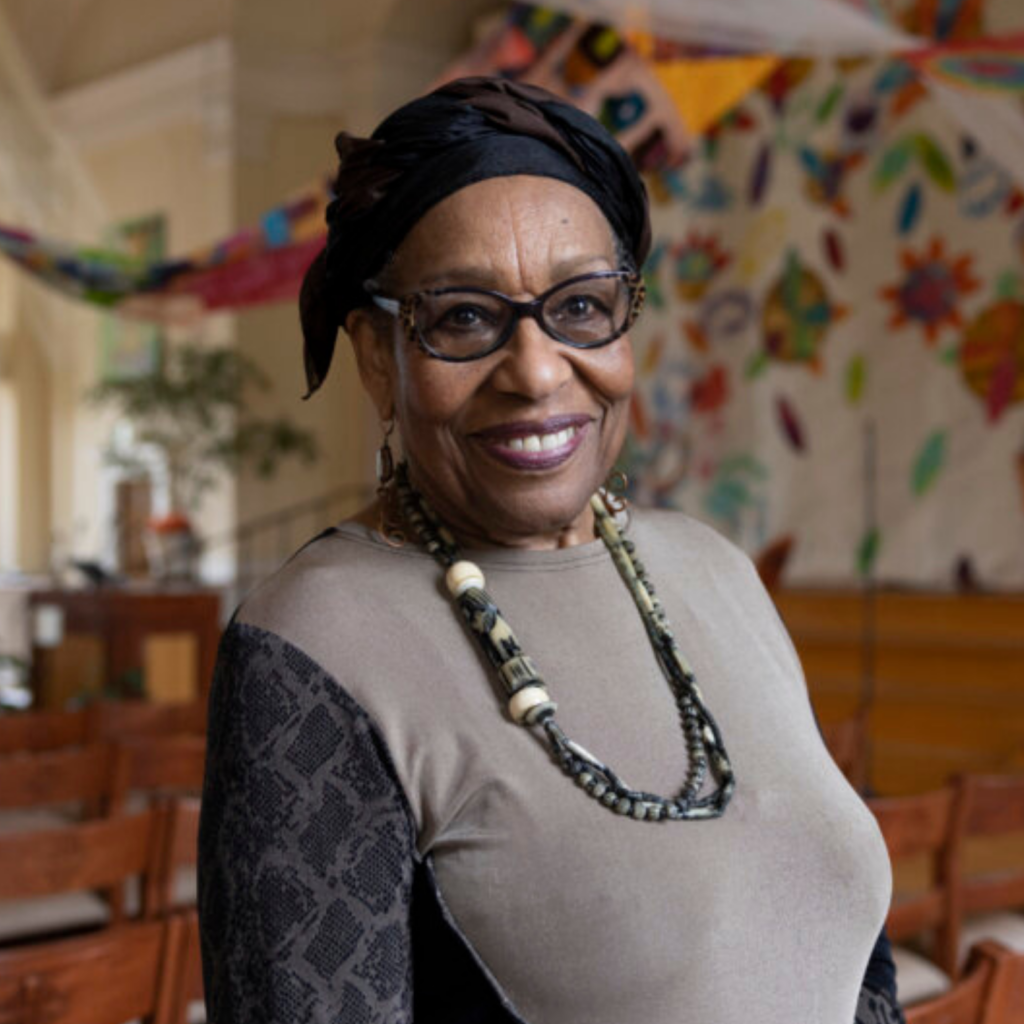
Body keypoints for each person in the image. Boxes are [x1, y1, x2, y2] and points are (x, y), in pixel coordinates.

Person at [198, 77, 903, 1024]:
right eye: (461, 317)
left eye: (579, 307)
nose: (535, 372)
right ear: (376, 355)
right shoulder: (314, 642)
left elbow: (858, 966)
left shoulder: (712, 567)